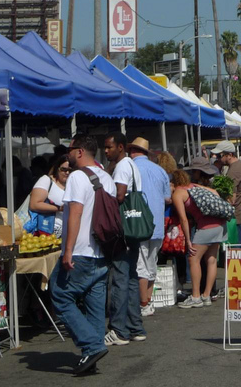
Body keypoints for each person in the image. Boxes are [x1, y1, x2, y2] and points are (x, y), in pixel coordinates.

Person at [50, 134, 114, 375]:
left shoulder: (78, 176)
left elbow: (75, 214)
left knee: (59, 295)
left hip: (81, 251)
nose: (67, 154)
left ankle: (91, 345)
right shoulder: (105, 177)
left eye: (70, 149)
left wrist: (67, 250)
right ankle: (92, 353)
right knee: (94, 305)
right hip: (101, 252)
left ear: (79, 152)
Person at [102, 132, 145, 347]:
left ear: (120, 147)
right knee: (130, 277)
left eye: (109, 147)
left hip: (123, 230)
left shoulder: (122, 166)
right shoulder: (131, 164)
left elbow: (119, 195)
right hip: (134, 229)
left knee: (119, 278)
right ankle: (135, 327)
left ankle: (118, 330)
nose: (106, 151)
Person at [174, 156, 227, 308]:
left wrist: (188, 239)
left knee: (193, 258)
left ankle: (196, 296)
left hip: (205, 228)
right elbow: (216, 193)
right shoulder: (195, 187)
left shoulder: (178, 192)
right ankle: (206, 296)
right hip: (219, 225)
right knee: (211, 260)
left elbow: (183, 219)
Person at [127, 137, 171, 317]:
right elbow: (167, 197)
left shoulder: (131, 168)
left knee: (140, 265)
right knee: (151, 264)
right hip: (157, 225)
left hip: (138, 223)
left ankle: (143, 303)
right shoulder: (160, 170)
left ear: (132, 152)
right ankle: (148, 301)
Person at [211, 141, 241, 245]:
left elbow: (231, 199)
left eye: (219, 155)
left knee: (237, 252)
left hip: (238, 216)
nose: (217, 158)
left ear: (229, 155)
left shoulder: (234, 170)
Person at [29, 154, 70, 237]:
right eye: (63, 169)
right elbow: (34, 205)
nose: (67, 172)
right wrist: (58, 208)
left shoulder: (73, 184)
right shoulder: (46, 180)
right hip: (47, 232)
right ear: (57, 168)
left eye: (70, 170)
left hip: (67, 233)